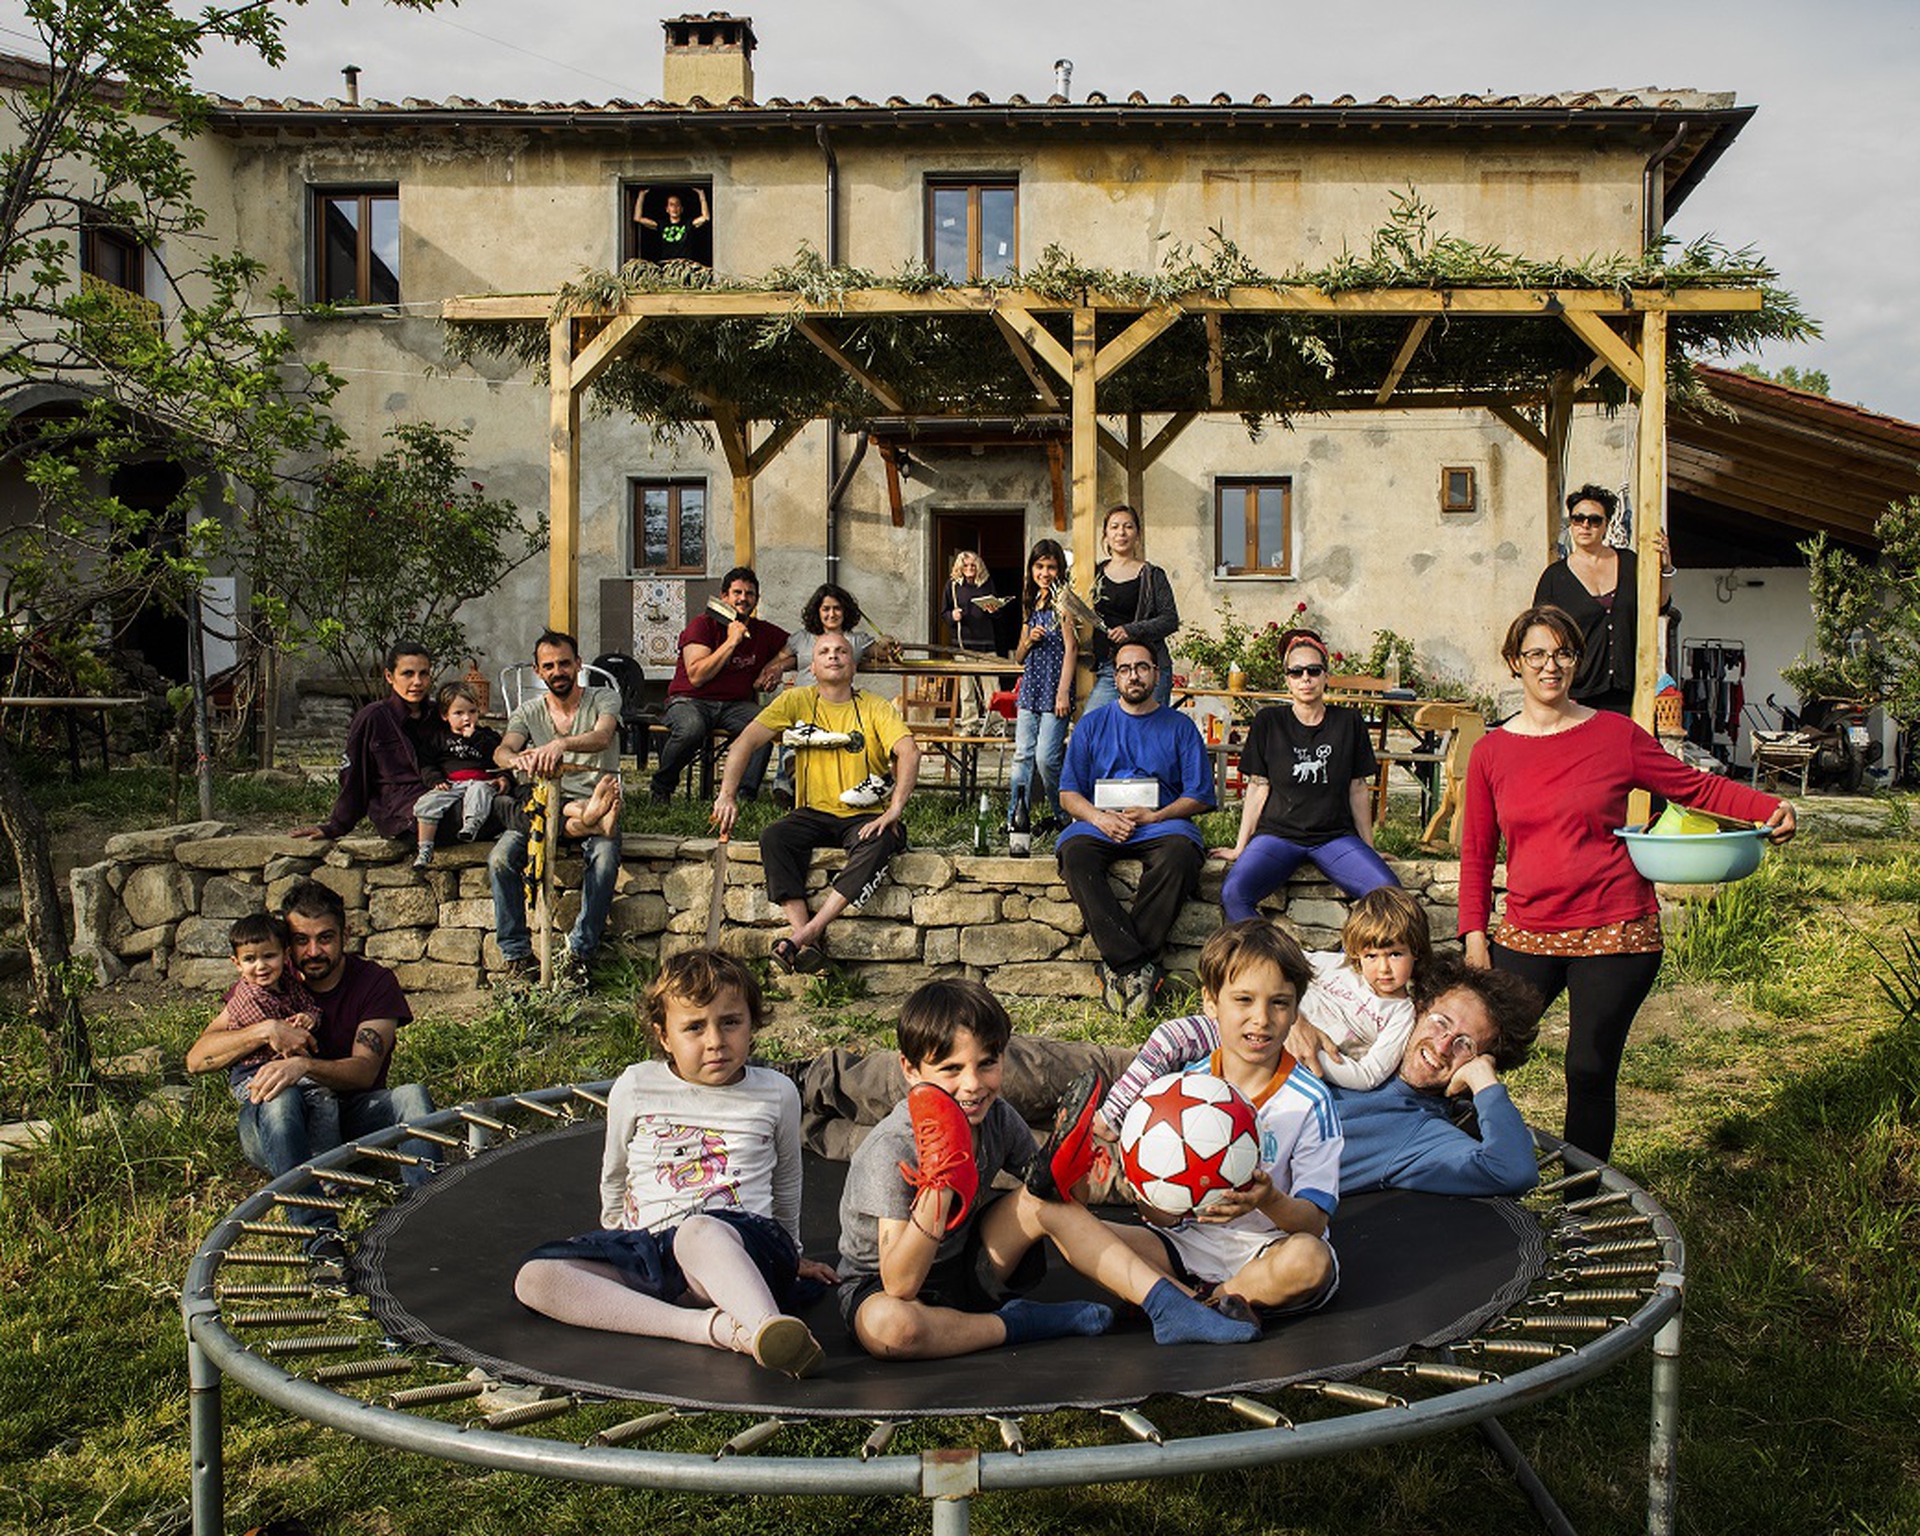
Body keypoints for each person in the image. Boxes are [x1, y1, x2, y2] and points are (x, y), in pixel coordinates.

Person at [1462, 604, 1796, 1159]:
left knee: (1588, 1068)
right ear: (1514, 662)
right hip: (1527, 931)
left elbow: (1693, 787)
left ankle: (1583, 1207)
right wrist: (1475, 937)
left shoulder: (1615, 735)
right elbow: (1476, 853)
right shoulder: (1491, 752)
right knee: (1475, 1052)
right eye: (1537, 654)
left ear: (1577, 661)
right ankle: (1464, 1181)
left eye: (1563, 653)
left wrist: (1767, 806)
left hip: (1616, 928)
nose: (1551, 666)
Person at [836, 977, 1260, 1359]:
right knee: (894, 1329)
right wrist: (942, 1179)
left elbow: (1066, 1204)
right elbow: (900, 1284)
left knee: (1044, 1201)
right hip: (886, 1287)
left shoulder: (996, 1116)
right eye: (951, 1070)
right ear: (911, 1070)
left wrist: (1069, 1166)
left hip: (968, 1270)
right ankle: (1025, 1323)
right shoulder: (890, 1147)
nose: (973, 1084)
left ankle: (1176, 1307)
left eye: (987, 1063)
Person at [514, 950, 839, 1378]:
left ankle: (768, 1327)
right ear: (664, 1036)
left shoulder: (776, 1092)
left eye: (730, 1022)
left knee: (699, 1230)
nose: (715, 1041)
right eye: (694, 1028)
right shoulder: (635, 1085)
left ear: (752, 1023)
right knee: (535, 1278)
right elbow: (616, 1168)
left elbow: (787, 1181)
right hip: (656, 1252)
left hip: (742, 1246)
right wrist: (617, 1234)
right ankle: (710, 1329)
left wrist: (792, 1253)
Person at [1098, 952, 1546, 1199]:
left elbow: (1513, 1170)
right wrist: (1298, 1021)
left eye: (1466, 1045)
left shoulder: (1419, 1133)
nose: (1443, 1046)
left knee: (1048, 1154)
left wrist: (1486, 1082)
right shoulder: (1371, 1033)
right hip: (1181, 1073)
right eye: (1441, 1023)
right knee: (1042, 1066)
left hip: (1178, 1167)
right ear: (1420, 1009)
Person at [1093, 921, 1342, 1319]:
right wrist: (1148, 1191)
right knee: (1085, 1236)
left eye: (1279, 1002)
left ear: (1296, 1010)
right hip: (1185, 1246)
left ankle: (1201, 1301)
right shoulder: (1181, 1090)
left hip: (1267, 1251)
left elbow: (1312, 1223)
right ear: (1211, 1002)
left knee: (1309, 1261)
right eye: (1243, 999)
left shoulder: (1310, 1102)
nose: (1261, 1018)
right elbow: (1164, 1218)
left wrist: (1268, 1200)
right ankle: (1199, 1301)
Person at [185, 881, 434, 1210]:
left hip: (352, 1120)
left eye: (325, 938)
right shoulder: (267, 980)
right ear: (288, 944)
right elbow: (197, 1059)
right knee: (281, 1099)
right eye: (301, 940)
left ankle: (429, 1202)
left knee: (412, 1095)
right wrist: (265, 1030)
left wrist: (303, 1066)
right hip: (276, 1125)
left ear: (345, 936)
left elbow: (364, 1071)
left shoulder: (375, 982)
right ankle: (312, 1216)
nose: (313, 951)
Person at [712, 631, 921, 975]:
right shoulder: (797, 701)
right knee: (774, 836)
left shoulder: (874, 706)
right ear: (813, 664)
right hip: (812, 814)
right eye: (824, 651)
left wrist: (894, 810)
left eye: (842, 651)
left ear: (853, 665)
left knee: (883, 838)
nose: (834, 656)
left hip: (863, 816)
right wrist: (727, 795)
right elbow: (744, 743)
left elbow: (909, 751)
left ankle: (808, 932)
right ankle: (805, 937)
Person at [1056, 641, 1215, 1019]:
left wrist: (1157, 816)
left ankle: (1119, 967)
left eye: (1142, 667)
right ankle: (1135, 965)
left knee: (1180, 856)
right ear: (1115, 675)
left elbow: (1201, 795)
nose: (1133, 676)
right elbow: (1067, 793)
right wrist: (1098, 818)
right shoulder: (1093, 723)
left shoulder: (1180, 727)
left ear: (1156, 674)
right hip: (1101, 823)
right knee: (1075, 855)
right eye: (1125, 669)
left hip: (1161, 823)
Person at [1213, 628, 1399, 916]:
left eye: (1313, 671)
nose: (1305, 679)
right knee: (1234, 893)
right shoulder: (1269, 722)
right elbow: (1258, 786)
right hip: (1278, 836)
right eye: (1296, 672)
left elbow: (1357, 788)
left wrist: (1369, 847)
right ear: (1286, 679)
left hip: (1334, 837)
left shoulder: (1348, 722)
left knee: (1388, 892)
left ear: (1326, 676)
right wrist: (1240, 847)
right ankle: (1267, 960)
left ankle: (1344, 960)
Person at [489, 630, 624, 984]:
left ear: (579, 664)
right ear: (538, 671)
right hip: (545, 804)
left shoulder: (603, 698)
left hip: (598, 796)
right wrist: (520, 760)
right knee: (500, 859)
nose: (558, 671)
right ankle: (517, 956)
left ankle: (579, 954)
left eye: (565, 663)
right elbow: (502, 751)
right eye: (548, 666)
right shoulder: (529, 710)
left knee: (605, 858)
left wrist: (560, 744)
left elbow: (603, 736)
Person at [647, 566, 789, 805]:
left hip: (735, 705)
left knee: (765, 726)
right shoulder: (702, 625)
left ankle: (744, 796)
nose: (743, 598)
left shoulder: (762, 631)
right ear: (724, 596)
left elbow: (798, 647)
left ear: (757, 599)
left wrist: (775, 667)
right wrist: (732, 641)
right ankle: (662, 789)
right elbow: (697, 676)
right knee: (692, 728)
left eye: (750, 593)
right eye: (737, 592)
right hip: (689, 701)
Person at [1532, 483, 1673, 715]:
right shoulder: (1554, 577)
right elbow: (1539, 636)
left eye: (1594, 520)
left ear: (1606, 524)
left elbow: (1659, 605)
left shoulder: (1630, 563)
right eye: (1578, 519)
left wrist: (1665, 567)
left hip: (1631, 690)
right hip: (1577, 694)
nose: (1585, 525)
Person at [1287, 885, 1432, 1092]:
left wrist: (1314, 1055)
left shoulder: (1401, 1014)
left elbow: (1369, 1074)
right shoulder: (1336, 965)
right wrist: (1288, 1023)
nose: (1384, 969)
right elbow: (1277, 960)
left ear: (1415, 951)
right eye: (1371, 956)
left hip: (1308, 1067)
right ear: (1357, 953)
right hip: (1276, 1027)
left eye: (1395, 954)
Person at [761, 583, 890, 808]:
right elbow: (774, 665)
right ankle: (790, 781)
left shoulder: (856, 641)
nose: (831, 614)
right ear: (817, 612)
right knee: (793, 718)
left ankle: (791, 781)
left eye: (837, 608)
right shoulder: (801, 638)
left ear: (845, 611)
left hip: (836, 704)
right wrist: (777, 669)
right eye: (826, 609)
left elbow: (883, 652)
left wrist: (889, 645)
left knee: (810, 732)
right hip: (801, 700)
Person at [292, 641, 436, 842]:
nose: (417, 681)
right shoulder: (373, 718)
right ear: (389, 676)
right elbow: (354, 776)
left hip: (442, 798)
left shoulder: (439, 716)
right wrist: (336, 826)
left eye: (424, 674)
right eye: (408, 674)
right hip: (403, 815)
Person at [1007, 537, 1076, 833]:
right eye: (1039, 566)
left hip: (1055, 688)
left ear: (1059, 569)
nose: (1044, 573)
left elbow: (1071, 648)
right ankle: (1015, 819)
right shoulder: (1030, 601)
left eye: (1050, 566)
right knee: (1022, 755)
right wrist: (1029, 640)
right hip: (1031, 687)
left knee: (1047, 758)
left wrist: (1063, 692)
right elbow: (1019, 657)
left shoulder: (1065, 600)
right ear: (1031, 569)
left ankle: (1064, 816)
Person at [1083, 505, 1179, 712]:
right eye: (1114, 527)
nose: (1121, 533)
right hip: (1111, 667)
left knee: (1150, 731)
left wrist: (1130, 630)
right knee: (1093, 724)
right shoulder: (1094, 573)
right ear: (1105, 535)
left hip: (1148, 668)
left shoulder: (1152, 575)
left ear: (1137, 534)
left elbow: (1170, 619)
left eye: (1128, 527)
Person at [409, 681, 510, 869]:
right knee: (426, 804)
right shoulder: (439, 738)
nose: (467, 718)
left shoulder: (486, 736)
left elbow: (500, 757)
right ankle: (425, 848)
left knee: (478, 792)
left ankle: (471, 827)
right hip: (452, 783)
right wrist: (435, 780)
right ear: (445, 715)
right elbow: (427, 763)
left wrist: (503, 776)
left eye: (472, 711)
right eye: (459, 713)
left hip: (481, 781)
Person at [943, 549, 1002, 654]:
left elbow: (998, 613)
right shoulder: (952, 585)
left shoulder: (987, 584)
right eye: (965, 565)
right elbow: (944, 613)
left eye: (973, 565)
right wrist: (952, 615)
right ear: (960, 567)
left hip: (985, 641)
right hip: (962, 642)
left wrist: (993, 611)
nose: (969, 568)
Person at [632, 186, 710, 257]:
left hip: (684, 266)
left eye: (677, 205)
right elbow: (638, 218)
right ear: (667, 209)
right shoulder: (662, 225)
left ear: (681, 209)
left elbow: (705, 217)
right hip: (667, 266)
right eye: (671, 205)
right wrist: (641, 195)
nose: (674, 208)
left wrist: (701, 195)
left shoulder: (687, 224)